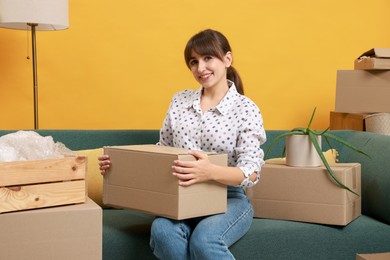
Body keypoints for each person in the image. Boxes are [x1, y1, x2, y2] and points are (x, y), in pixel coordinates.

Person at [98, 28, 266, 260]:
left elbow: (252, 172)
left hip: (229, 198)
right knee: (163, 232)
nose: (200, 68)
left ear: (227, 59)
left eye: (208, 58)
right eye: (193, 61)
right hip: (179, 196)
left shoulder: (246, 108)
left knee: (205, 241)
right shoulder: (179, 101)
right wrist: (119, 167)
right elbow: (161, 152)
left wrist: (210, 172)